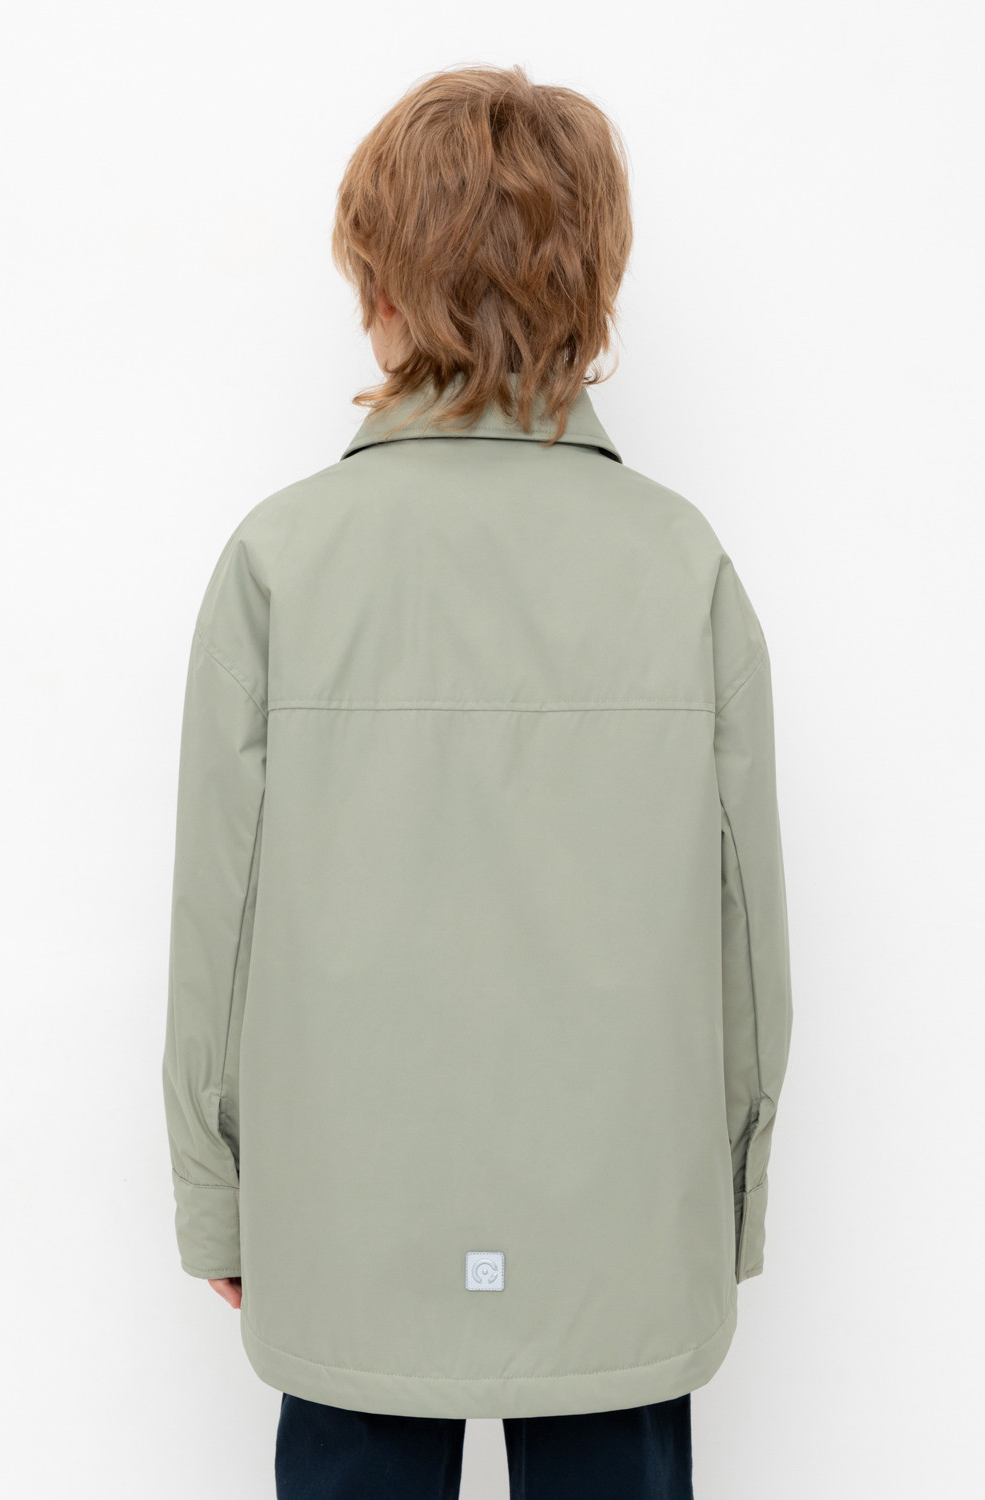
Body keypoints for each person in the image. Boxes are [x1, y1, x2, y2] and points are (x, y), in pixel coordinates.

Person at [161, 63, 793, 1500]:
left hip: (346, 1216)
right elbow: (746, 939)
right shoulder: (680, 562)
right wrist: (731, 1197)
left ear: (380, 284)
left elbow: (220, 921)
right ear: (594, 288)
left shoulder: (281, 560)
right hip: (626, 1222)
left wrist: (218, 1194)